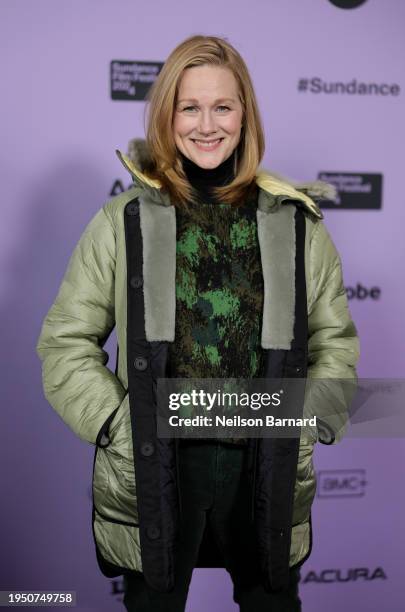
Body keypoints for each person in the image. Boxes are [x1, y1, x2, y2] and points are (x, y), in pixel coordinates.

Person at [36, 34, 360, 612]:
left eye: (223, 107)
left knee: (273, 603)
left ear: (245, 116)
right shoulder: (123, 222)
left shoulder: (297, 225)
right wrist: (118, 422)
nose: (206, 125)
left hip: (264, 462)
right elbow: (65, 343)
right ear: (168, 115)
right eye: (190, 107)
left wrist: (309, 421)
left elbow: (334, 341)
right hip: (158, 466)